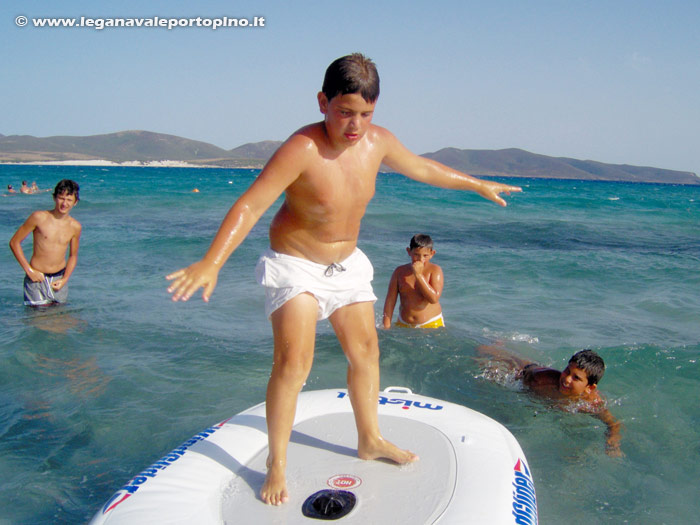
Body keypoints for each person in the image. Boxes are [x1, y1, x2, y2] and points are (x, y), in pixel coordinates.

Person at [166, 53, 522, 506]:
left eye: (366, 115)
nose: (355, 126)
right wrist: (212, 262)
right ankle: (277, 461)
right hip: (295, 265)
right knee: (295, 363)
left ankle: (369, 438)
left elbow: (424, 168)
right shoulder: (302, 148)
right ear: (322, 102)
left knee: (366, 351)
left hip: (347, 264)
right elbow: (250, 205)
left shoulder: (378, 142)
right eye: (345, 113)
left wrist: (477, 184)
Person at [477, 344, 623, 456]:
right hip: (527, 371)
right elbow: (519, 376)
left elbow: (613, 424)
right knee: (485, 355)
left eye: (576, 378)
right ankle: (496, 347)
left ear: (590, 387)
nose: (566, 379)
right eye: (567, 371)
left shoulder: (592, 403)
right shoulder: (542, 380)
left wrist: (613, 443)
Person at [9, 179, 82, 306]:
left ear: (75, 202)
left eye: (69, 200)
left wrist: (65, 279)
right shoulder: (38, 217)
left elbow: (73, 256)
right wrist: (29, 271)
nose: (64, 203)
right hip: (36, 278)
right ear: (55, 198)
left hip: (58, 279)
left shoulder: (75, 226)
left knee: (59, 321)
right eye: (61, 198)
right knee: (37, 320)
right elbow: (14, 242)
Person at [382, 234, 444, 328]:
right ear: (408, 251)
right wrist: (386, 326)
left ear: (432, 254)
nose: (420, 259)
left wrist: (419, 275)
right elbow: (390, 301)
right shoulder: (399, 272)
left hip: (431, 324)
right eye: (416, 255)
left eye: (425, 256)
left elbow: (434, 299)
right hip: (403, 323)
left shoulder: (435, 270)